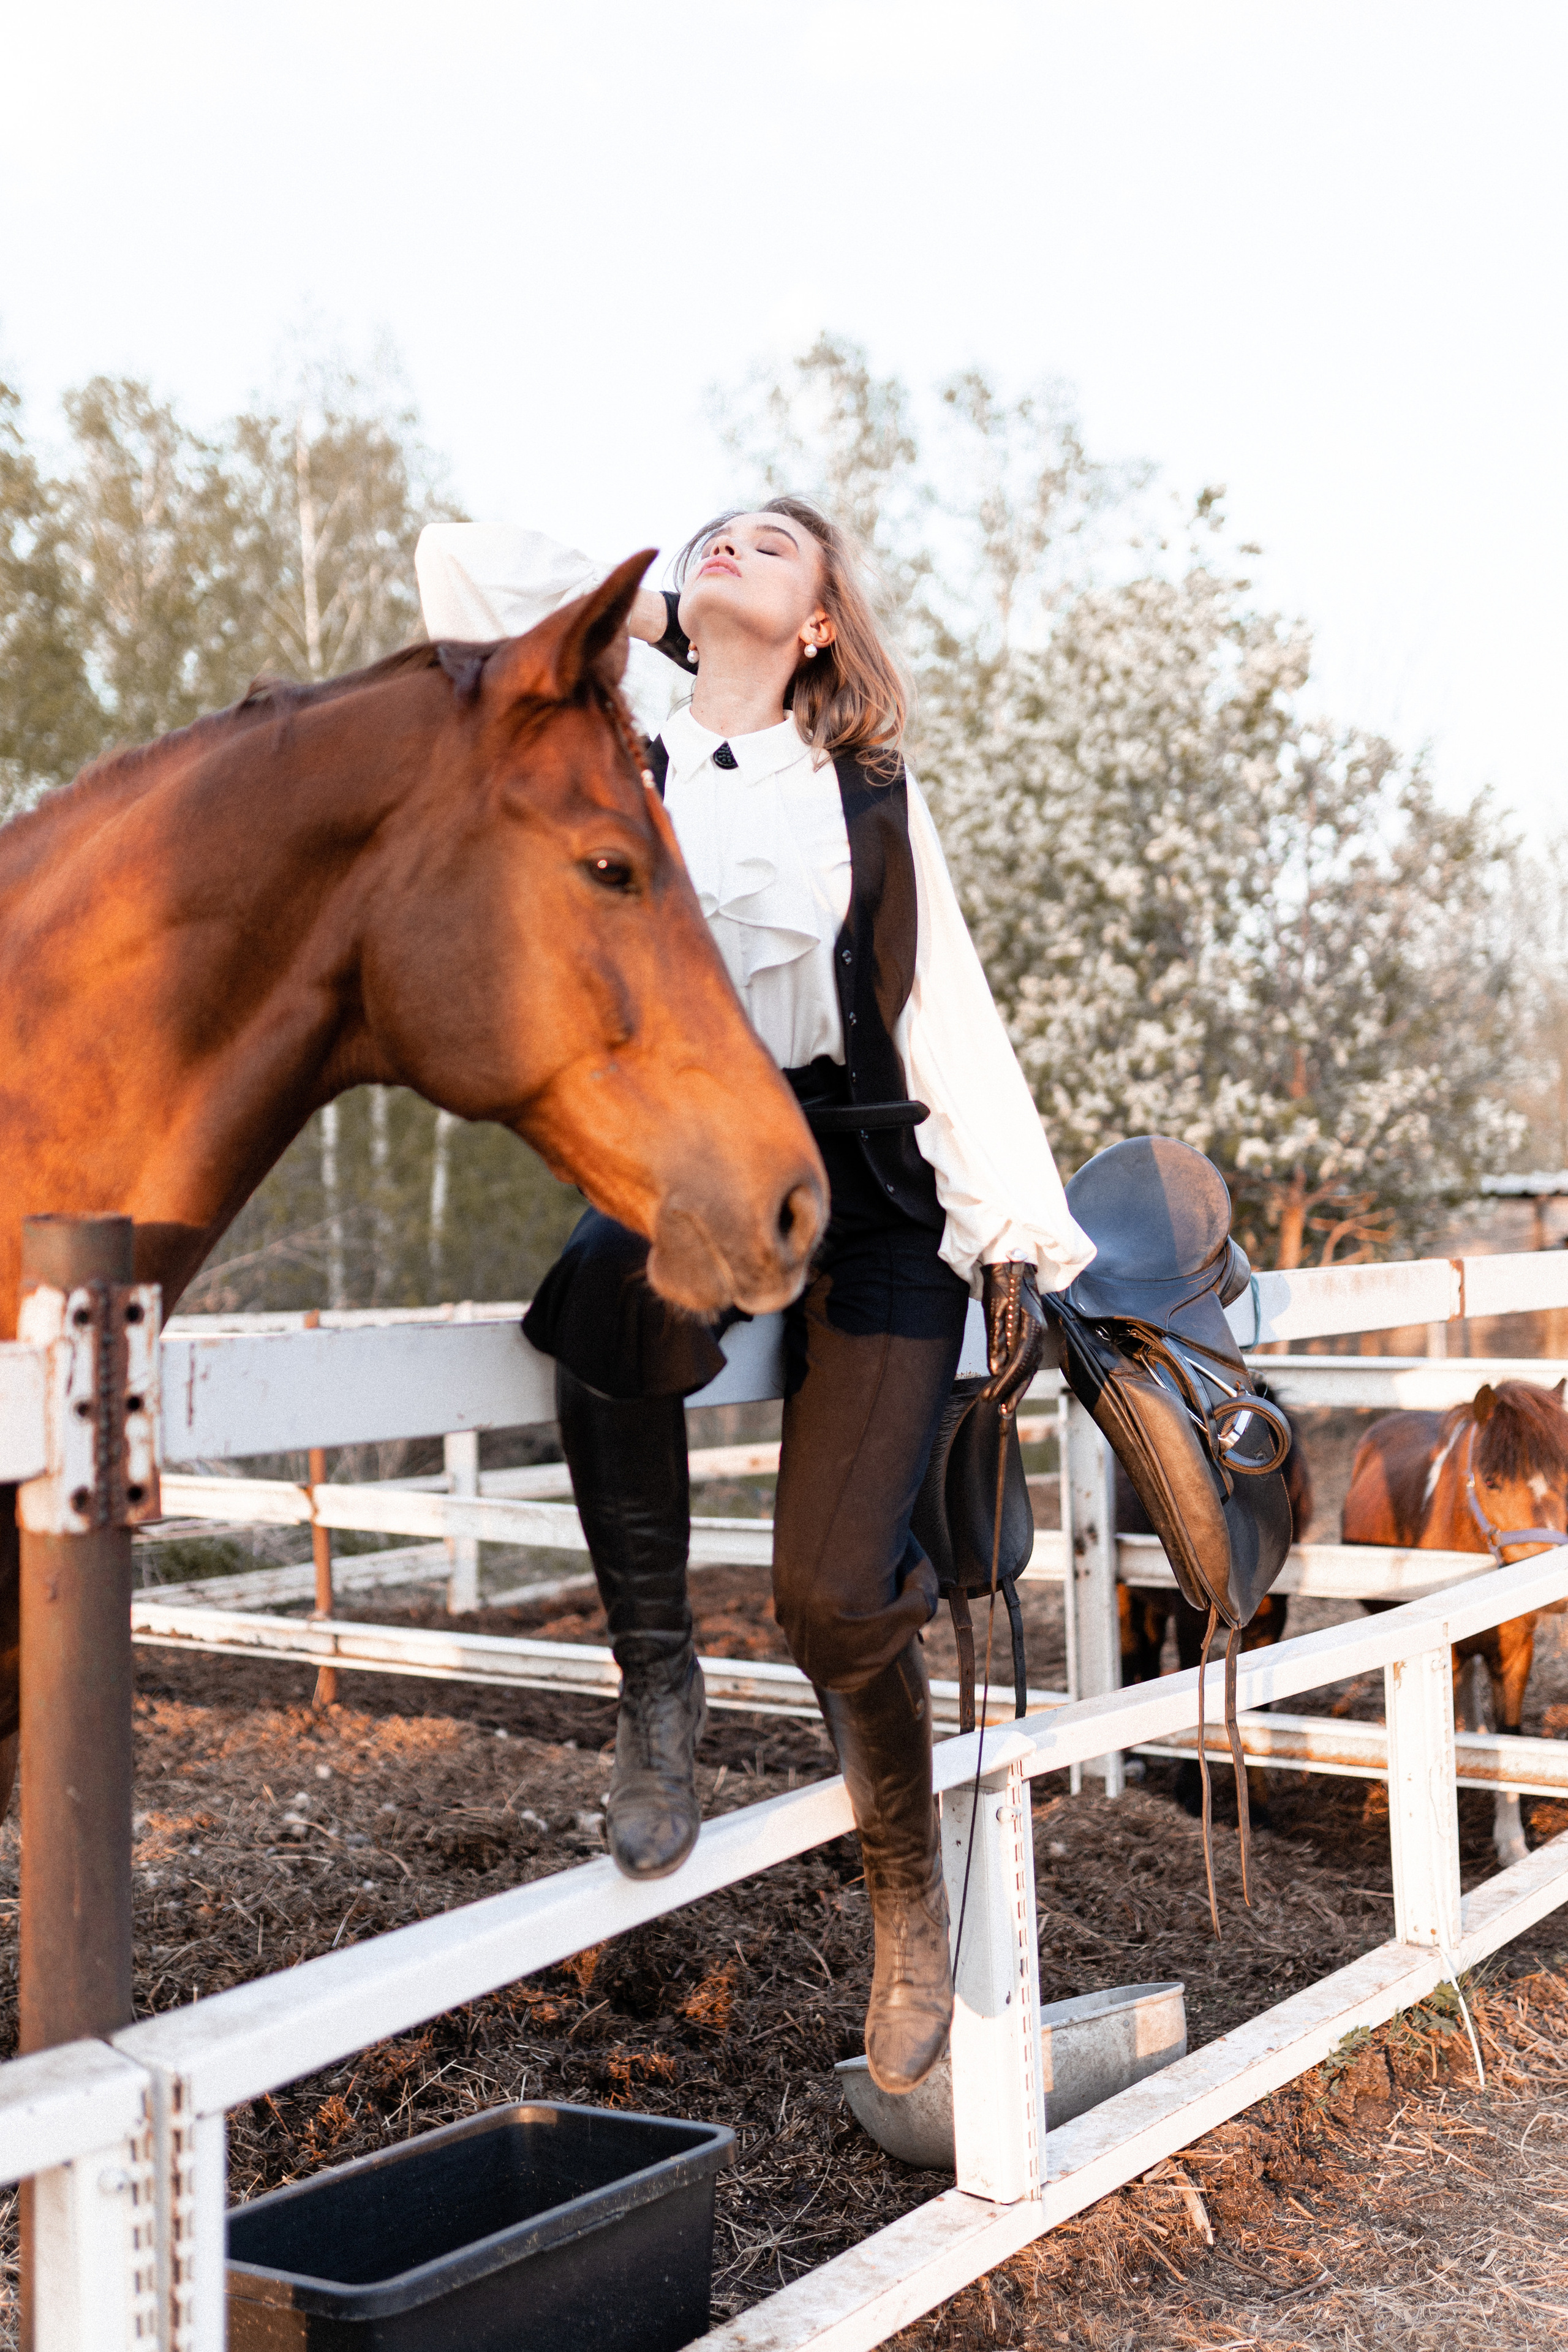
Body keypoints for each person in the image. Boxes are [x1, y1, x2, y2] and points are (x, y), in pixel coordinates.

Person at [417, 502, 1093, 2094]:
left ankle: (912, 1909)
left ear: (819, 628)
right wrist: (653, 598)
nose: (731, 545)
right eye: (713, 533)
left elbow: (946, 1017)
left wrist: (1008, 1229)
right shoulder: (614, 740)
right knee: (602, 1298)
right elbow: (462, 568)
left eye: (773, 548)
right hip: (693, 1166)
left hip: (870, 1185)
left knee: (837, 1594)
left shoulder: (861, 798)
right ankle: (658, 1680)